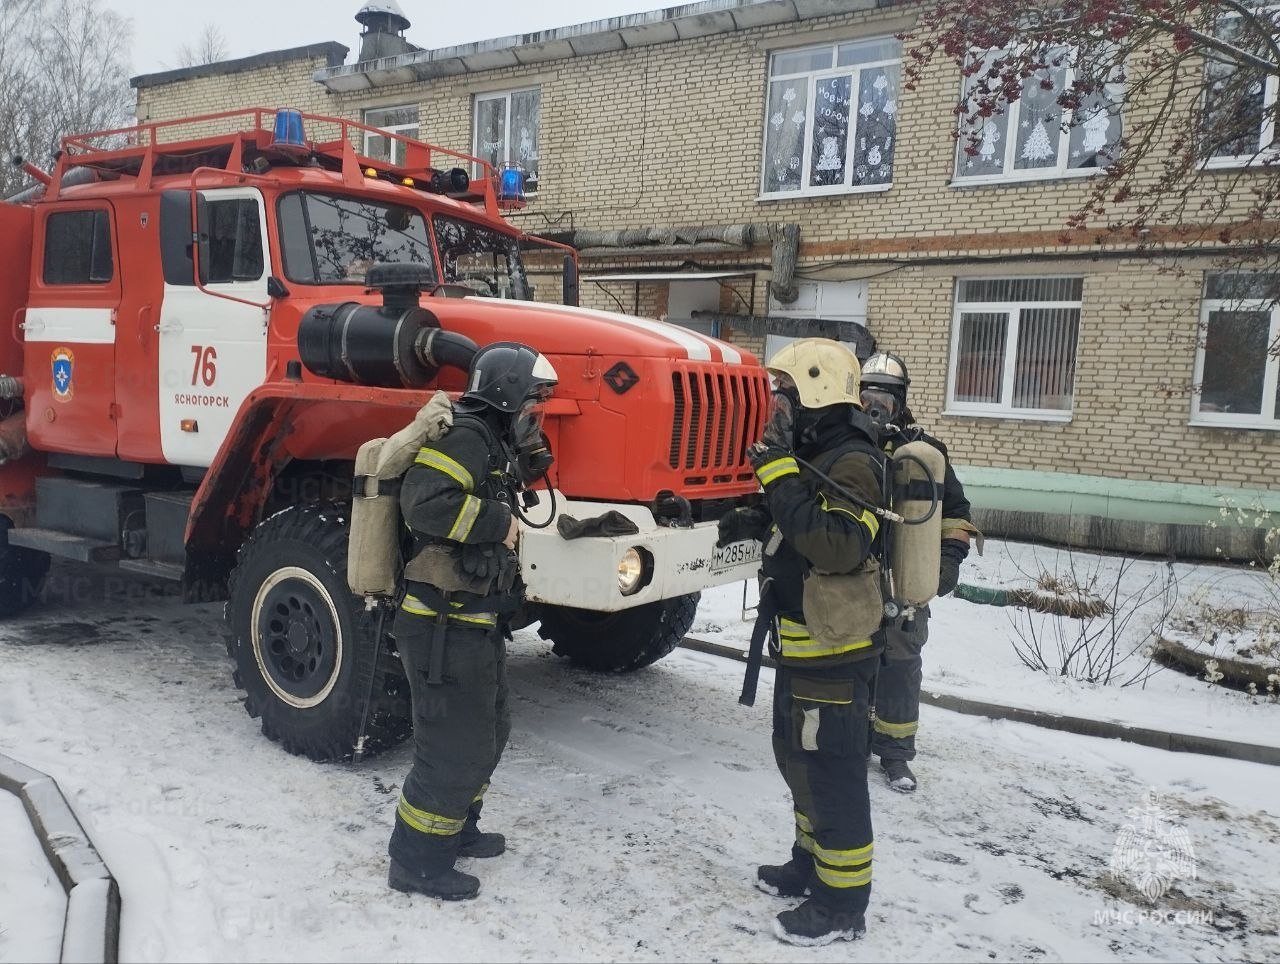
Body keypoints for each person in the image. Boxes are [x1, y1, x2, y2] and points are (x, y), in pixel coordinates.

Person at [718, 338, 887, 946]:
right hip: (803, 641)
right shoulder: (815, 452)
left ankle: (841, 904)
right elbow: (798, 522)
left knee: (832, 771)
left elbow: (839, 545)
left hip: (835, 650)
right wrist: (755, 518)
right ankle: (809, 864)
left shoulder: (854, 462)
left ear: (815, 391)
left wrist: (779, 475)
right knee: (799, 762)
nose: (775, 405)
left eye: (783, 392)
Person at [387, 341, 558, 901]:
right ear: (507, 393)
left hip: (471, 621)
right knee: (452, 747)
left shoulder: (491, 441)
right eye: (533, 400)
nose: (538, 411)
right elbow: (424, 503)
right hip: (440, 626)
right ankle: (417, 863)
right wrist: (496, 520)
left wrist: (525, 459)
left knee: (489, 733)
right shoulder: (464, 436)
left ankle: (457, 827)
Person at [859, 351, 977, 794]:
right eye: (869, 393)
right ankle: (851, 744)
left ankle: (895, 755)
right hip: (855, 575)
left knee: (902, 664)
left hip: (905, 576)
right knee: (851, 663)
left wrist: (947, 563)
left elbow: (956, 512)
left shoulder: (926, 453)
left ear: (901, 399)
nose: (877, 404)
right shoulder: (845, 443)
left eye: (887, 396)